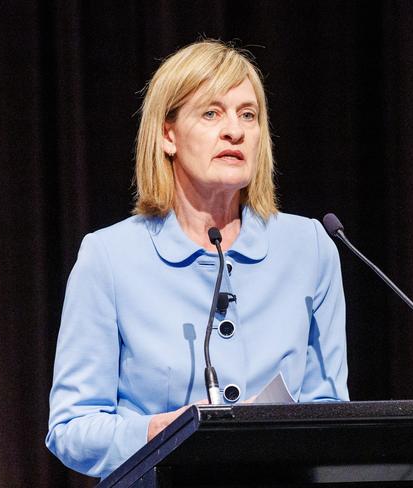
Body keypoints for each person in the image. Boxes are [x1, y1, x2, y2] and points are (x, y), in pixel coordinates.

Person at [46, 40, 348, 479]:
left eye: (248, 114)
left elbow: (330, 407)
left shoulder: (310, 248)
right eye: (211, 113)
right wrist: (156, 431)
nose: (235, 131)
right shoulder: (109, 257)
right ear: (167, 135)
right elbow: (70, 428)